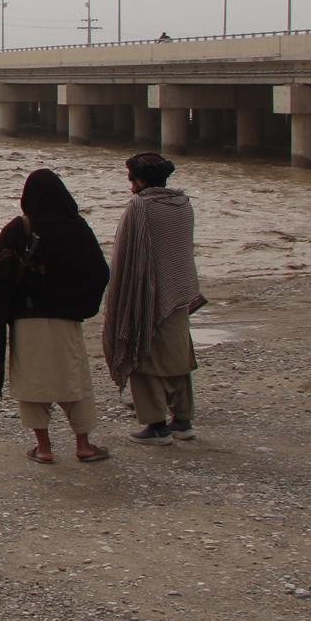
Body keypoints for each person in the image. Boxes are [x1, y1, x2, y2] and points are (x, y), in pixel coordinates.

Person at [0, 169, 113, 464]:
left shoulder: (20, 229)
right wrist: (81, 305)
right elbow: (100, 272)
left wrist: (5, 306)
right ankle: (84, 445)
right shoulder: (77, 227)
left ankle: (45, 448)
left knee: (33, 383)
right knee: (74, 382)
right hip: (66, 321)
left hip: (28, 320)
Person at [102, 152, 203, 445]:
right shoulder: (184, 205)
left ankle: (156, 424)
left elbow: (124, 256)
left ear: (140, 180)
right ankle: (182, 420)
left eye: (131, 179)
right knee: (178, 356)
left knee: (140, 355)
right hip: (179, 292)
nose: (130, 186)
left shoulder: (140, 207)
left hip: (146, 296)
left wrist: (119, 298)